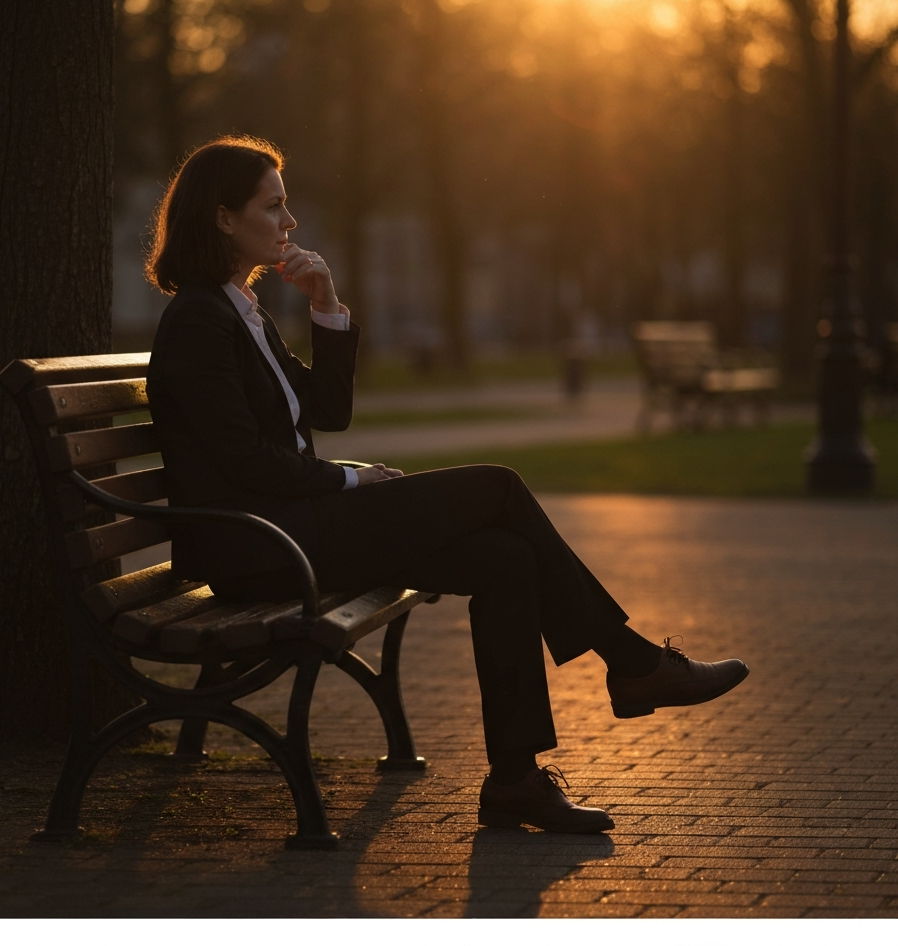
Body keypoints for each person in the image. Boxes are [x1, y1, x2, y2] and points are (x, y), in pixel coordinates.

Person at [145, 135, 749, 835]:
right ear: (224, 219)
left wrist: (327, 305)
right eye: (273, 206)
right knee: (497, 485)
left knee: (505, 558)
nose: (290, 222)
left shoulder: (239, 310)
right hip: (257, 548)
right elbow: (247, 464)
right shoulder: (198, 320)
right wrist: (349, 481)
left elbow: (328, 414)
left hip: (293, 528)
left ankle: (517, 782)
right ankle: (633, 662)